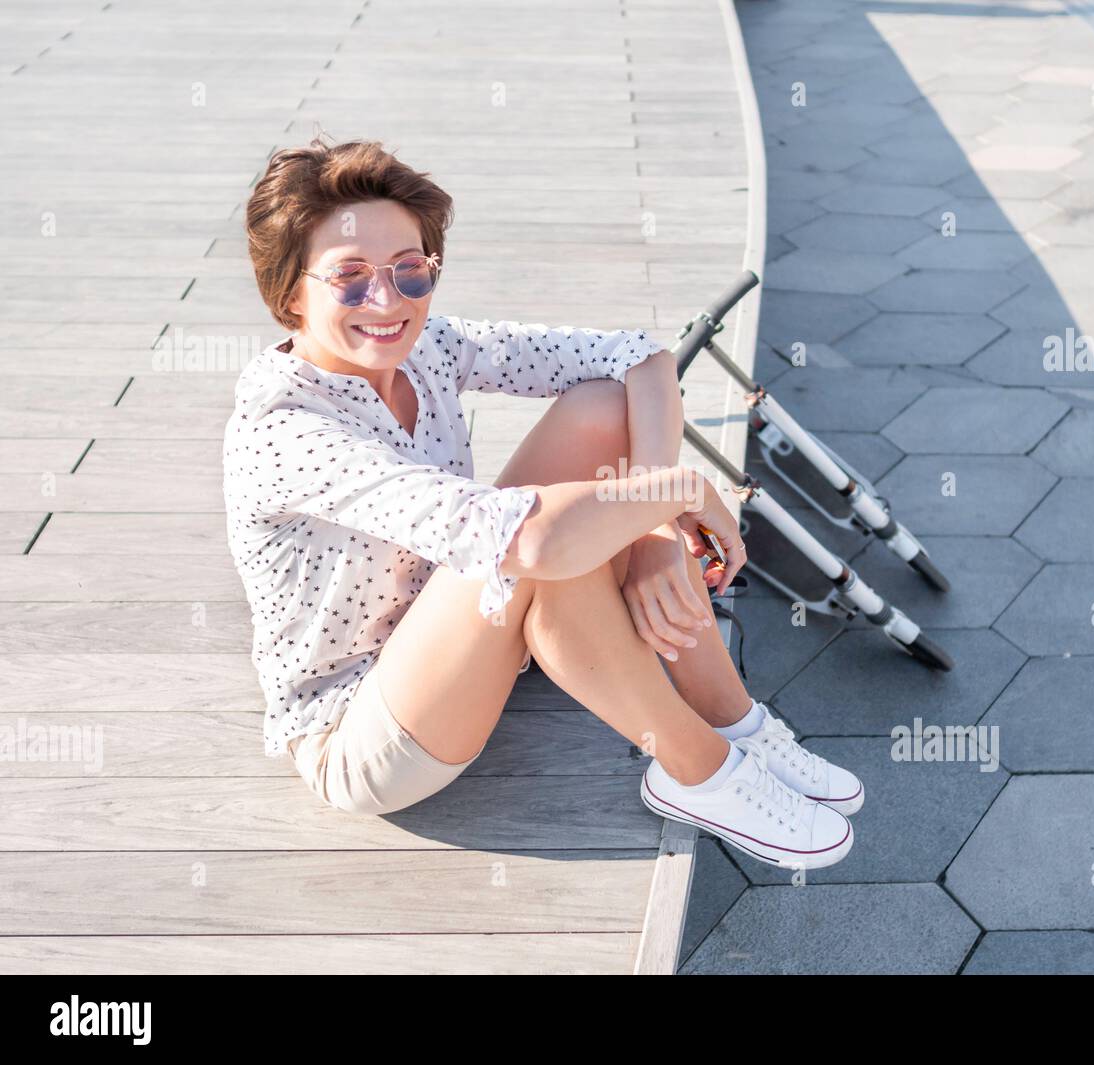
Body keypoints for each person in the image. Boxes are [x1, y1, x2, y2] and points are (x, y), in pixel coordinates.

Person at [222, 136, 860, 869]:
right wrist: (675, 490)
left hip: (459, 624)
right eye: (351, 278)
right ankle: (699, 768)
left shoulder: (424, 347)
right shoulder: (286, 430)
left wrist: (653, 536)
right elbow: (523, 540)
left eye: (410, 271)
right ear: (290, 292)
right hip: (368, 734)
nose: (388, 300)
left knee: (598, 411)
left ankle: (733, 718)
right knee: (536, 537)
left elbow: (637, 356)